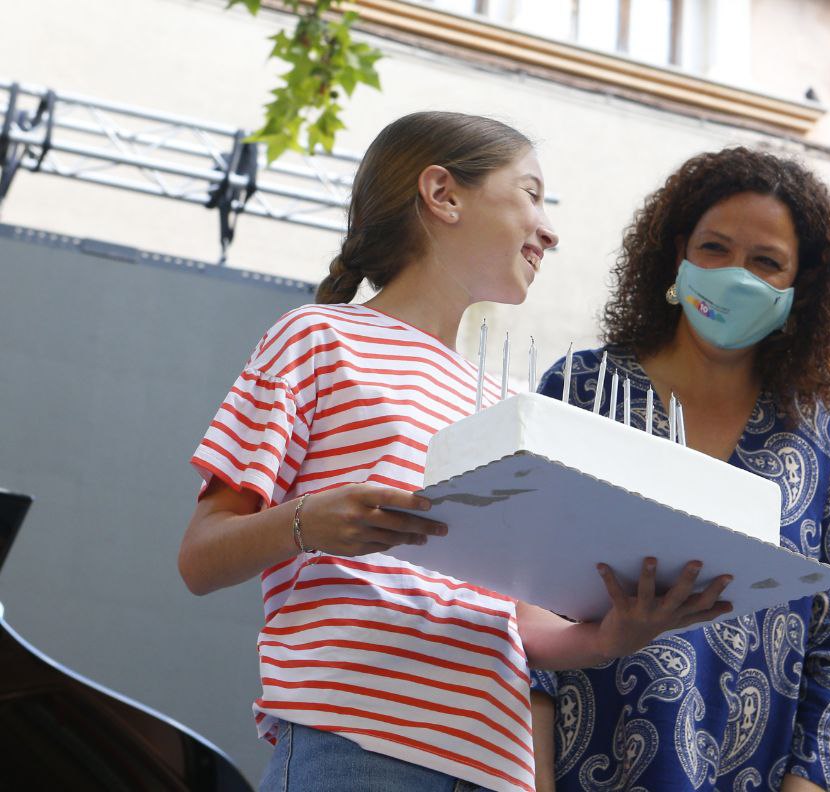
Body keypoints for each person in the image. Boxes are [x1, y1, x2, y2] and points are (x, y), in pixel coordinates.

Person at [177, 112, 732, 792]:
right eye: (531, 193)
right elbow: (201, 556)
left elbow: (514, 618)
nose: (550, 230)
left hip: (494, 766)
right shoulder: (316, 338)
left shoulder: (508, 404)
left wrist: (608, 638)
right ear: (443, 194)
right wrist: (310, 522)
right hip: (358, 744)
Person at [531, 146, 830, 792]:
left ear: (799, 291)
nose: (736, 275)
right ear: (678, 252)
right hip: (581, 770)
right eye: (714, 249)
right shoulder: (581, 389)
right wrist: (535, 777)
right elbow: (523, 596)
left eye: (766, 262)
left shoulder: (820, 432)